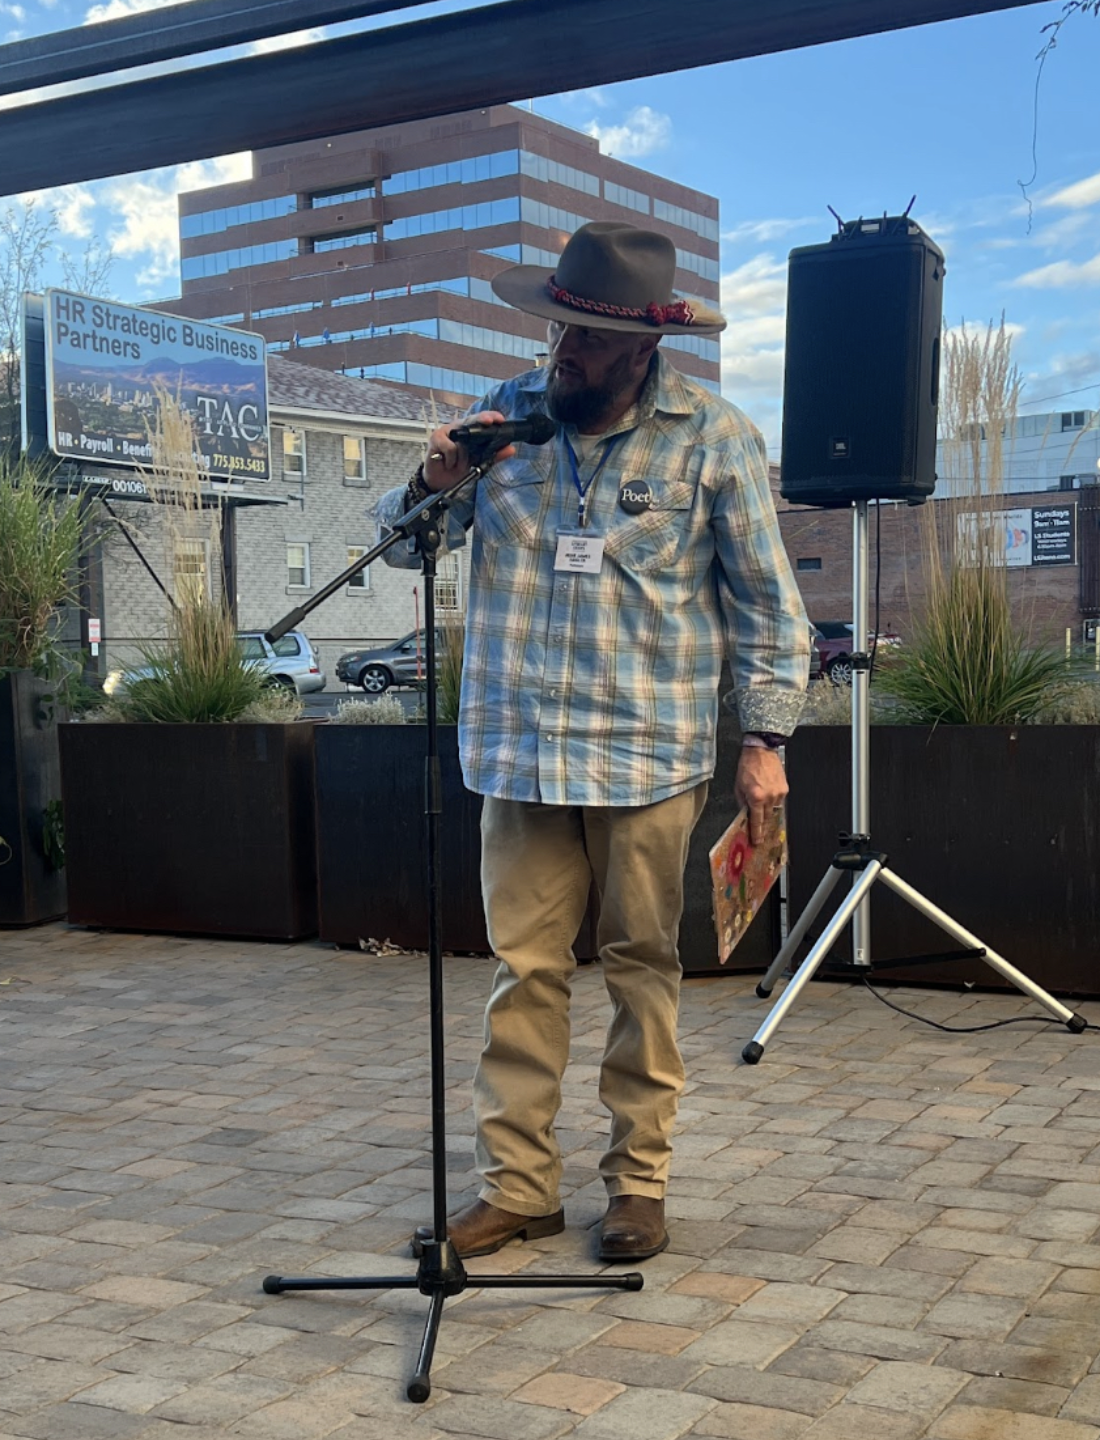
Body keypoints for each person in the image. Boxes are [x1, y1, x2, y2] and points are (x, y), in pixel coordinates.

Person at [378, 221, 810, 1263]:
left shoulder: (713, 437)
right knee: (521, 973)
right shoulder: (506, 419)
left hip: (645, 754)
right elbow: (402, 547)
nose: (563, 353)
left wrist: (765, 740)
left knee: (639, 969)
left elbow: (768, 604)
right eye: (558, 330)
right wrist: (433, 482)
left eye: (588, 339)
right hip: (518, 750)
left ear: (642, 348)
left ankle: (637, 1185)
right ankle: (518, 1189)